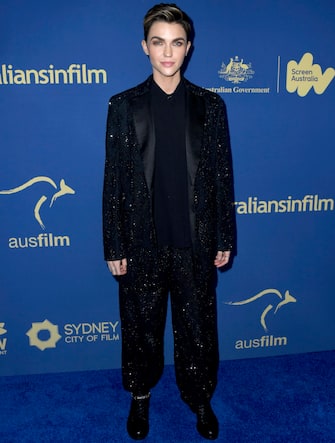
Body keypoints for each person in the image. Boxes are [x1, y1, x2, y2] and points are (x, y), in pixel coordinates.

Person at [103, 3, 235, 440]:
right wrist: (114, 245)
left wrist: (223, 235)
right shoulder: (122, 106)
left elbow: (221, 176)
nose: (167, 52)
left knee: (198, 327)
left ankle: (200, 399)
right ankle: (140, 397)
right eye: (158, 42)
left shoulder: (211, 106)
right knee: (140, 327)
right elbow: (114, 179)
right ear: (145, 47)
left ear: (188, 48)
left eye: (176, 42)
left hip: (194, 241)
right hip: (143, 241)